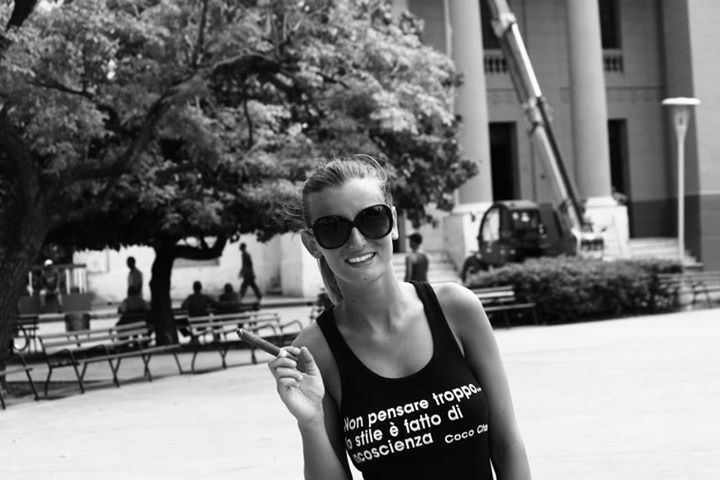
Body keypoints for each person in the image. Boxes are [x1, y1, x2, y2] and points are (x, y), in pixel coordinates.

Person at [268, 157, 531, 479]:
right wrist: (310, 423)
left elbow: (506, 445)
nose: (357, 241)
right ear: (312, 244)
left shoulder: (457, 309)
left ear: (393, 222)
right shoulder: (314, 352)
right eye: (332, 228)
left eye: (372, 219)